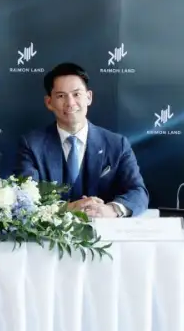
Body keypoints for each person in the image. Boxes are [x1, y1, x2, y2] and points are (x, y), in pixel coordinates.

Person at [15, 62, 149, 217]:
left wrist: (111, 210)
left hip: (104, 229)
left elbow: (138, 192)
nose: (70, 103)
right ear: (49, 102)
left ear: (89, 97)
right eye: (61, 96)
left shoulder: (117, 144)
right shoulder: (31, 145)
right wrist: (69, 208)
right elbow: (25, 198)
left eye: (76, 94)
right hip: (50, 231)